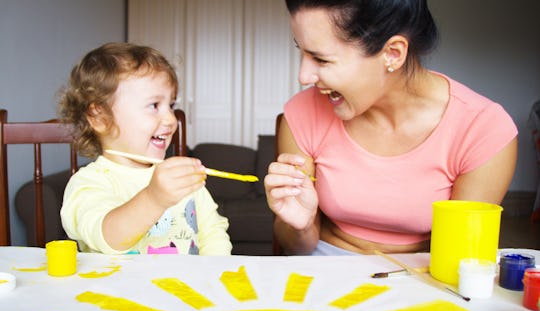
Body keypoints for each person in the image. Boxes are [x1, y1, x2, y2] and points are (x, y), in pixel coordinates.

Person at [264, 0, 518, 255]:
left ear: (393, 54)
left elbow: (461, 260)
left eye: (321, 59)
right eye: (303, 52)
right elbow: (297, 249)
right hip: (325, 269)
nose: (303, 76)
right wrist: (301, 227)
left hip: (426, 278)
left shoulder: (483, 130)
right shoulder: (302, 114)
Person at [59, 42, 232, 255]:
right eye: (154, 106)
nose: (170, 119)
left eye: (171, 105)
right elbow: (108, 237)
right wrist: (154, 198)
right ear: (100, 117)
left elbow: (213, 232)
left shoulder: (183, 177)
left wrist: (213, 274)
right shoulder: (88, 184)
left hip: (187, 288)